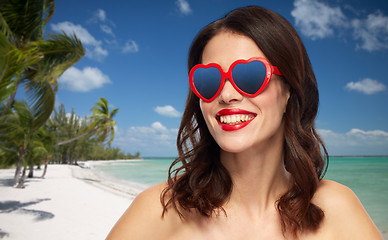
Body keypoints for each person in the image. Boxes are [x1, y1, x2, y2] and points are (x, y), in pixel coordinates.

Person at [107, 6, 382, 239]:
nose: (226, 95)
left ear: (288, 90)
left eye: (249, 76)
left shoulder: (337, 208)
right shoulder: (159, 210)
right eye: (209, 80)